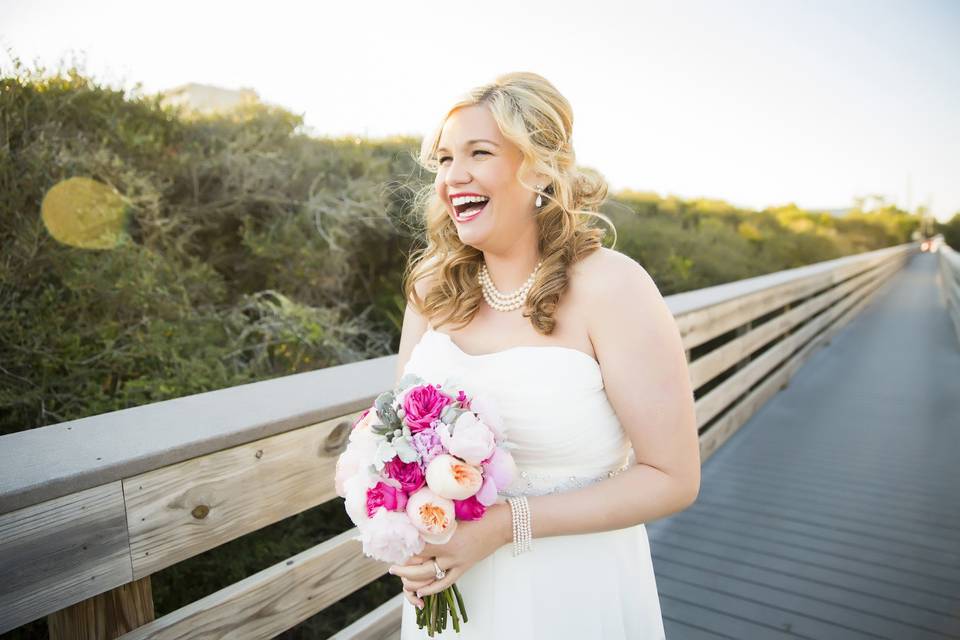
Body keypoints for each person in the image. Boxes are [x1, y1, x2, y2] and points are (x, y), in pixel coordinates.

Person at [390, 71, 700, 638]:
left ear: (539, 166)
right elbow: (394, 441)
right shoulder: (431, 290)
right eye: (442, 160)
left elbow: (672, 477)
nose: (452, 178)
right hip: (448, 596)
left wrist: (507, 524)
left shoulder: (612, 287)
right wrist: (399, 523)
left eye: (478, 153)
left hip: (571, 595)